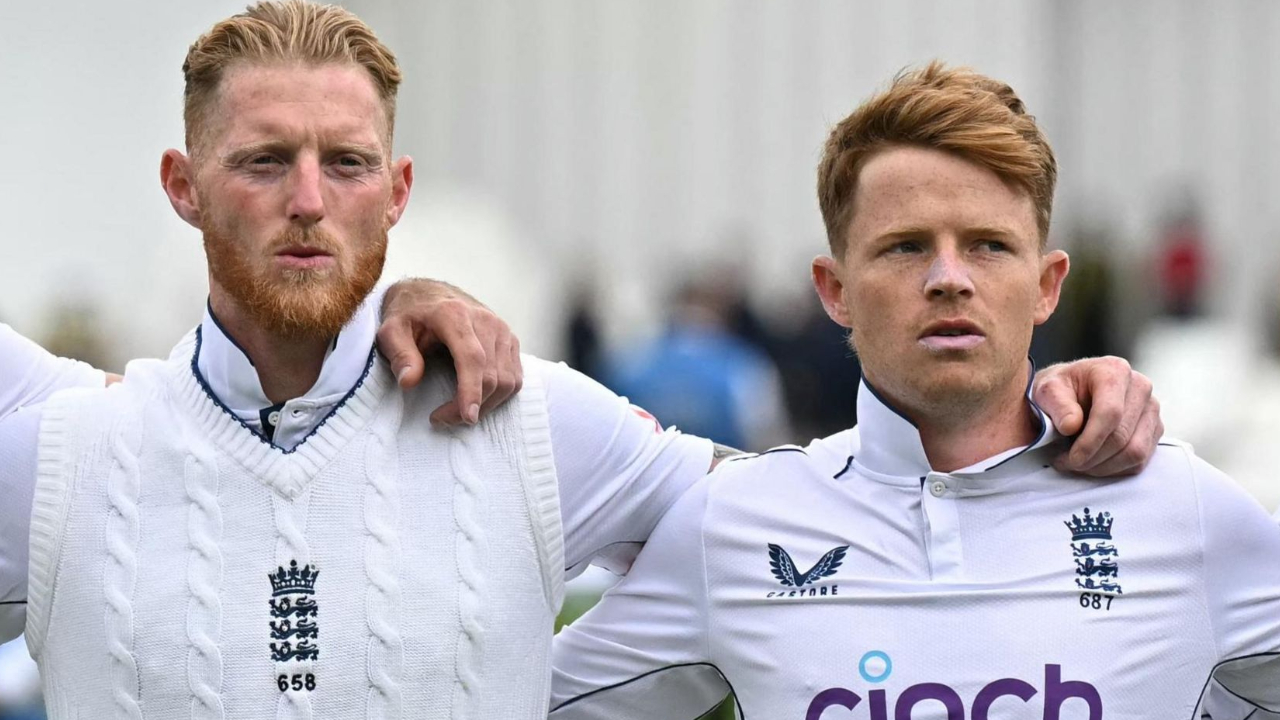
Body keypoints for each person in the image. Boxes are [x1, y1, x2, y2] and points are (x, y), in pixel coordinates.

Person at [0, 6, 1162, 716]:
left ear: (396, 193)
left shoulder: (531, 423)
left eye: (344, 163)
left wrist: (1038, 413)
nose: (308, 200)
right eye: (263, 161)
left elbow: (842, 511)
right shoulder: (61, 451)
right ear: (182, 185)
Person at [549, 63, 1280, 719]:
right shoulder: (734, 526)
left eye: (989, 245)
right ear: (834, 290)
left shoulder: (1187, 511)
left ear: (1046, 286)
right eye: (906, 246)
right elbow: (506, 697)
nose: (949, 278)